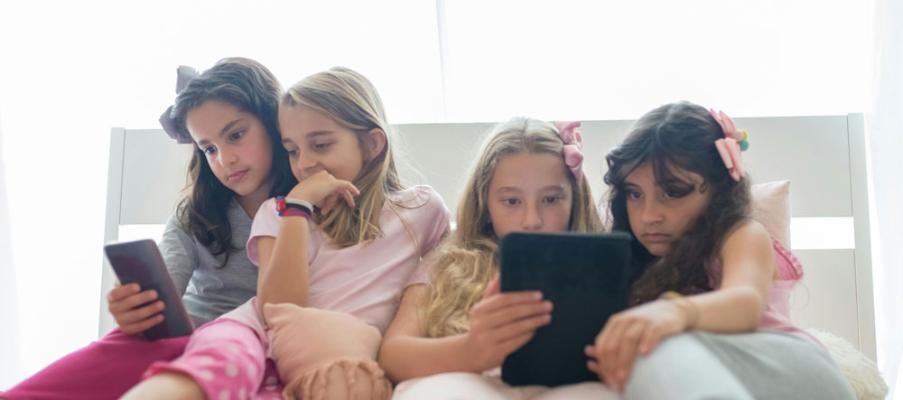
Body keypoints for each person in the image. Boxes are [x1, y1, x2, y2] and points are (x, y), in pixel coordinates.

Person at [122, 67, 450, 400]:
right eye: (292, 151)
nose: (304, 163)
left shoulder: (421, 209)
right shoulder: (280, 211)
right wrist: (297, 208)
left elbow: (452, 269)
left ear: (372, 143)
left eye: (320, 145)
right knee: (219, 358)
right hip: (253, 330)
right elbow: (277, 307)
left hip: (334, 345)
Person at [1, 57, 296, 400]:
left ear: (273, 121)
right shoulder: (196, 213)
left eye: (236, 135)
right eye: (209, 148)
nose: (224, 159)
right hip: (178, 338)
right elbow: (167, 281)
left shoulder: (307, 206)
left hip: (250, 350)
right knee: (93, 362)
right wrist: (135, 306)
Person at [587, 101, 855, 399]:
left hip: (789, 370)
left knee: (653, 347)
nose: (649, 215)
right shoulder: (628, 262)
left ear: (718, 190)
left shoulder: (739, 234)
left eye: (673, 191)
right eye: (634, 194)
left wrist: (674, 311)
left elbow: (747, 302)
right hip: (708, 380)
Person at [379, 118, 616, 399]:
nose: (532, 220)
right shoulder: (450, 262)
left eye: (551, 199)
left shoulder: (606, 265)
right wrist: (470, 350)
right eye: (512, 201)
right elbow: (393, 354)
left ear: (574, 199)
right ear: (485, 204)